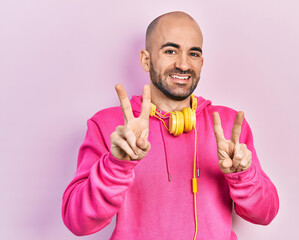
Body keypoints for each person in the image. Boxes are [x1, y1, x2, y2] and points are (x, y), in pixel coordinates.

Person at [62, 11, 279, 240]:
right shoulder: (109, 126)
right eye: (170, 51)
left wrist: (243, 176)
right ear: (147, 60)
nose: (184, 64)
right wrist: (116, 165)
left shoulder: (228, 125)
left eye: (193, 53)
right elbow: (77, 223)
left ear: (201, 63)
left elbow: (265, 214)